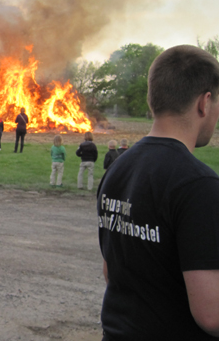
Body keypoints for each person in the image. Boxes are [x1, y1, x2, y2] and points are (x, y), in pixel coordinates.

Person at [98, 45, 219, 340]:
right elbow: (211, 315)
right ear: (204, 103)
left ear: (154, 100)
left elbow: (110, 271)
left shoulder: (117, 168)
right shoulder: (198, 185)